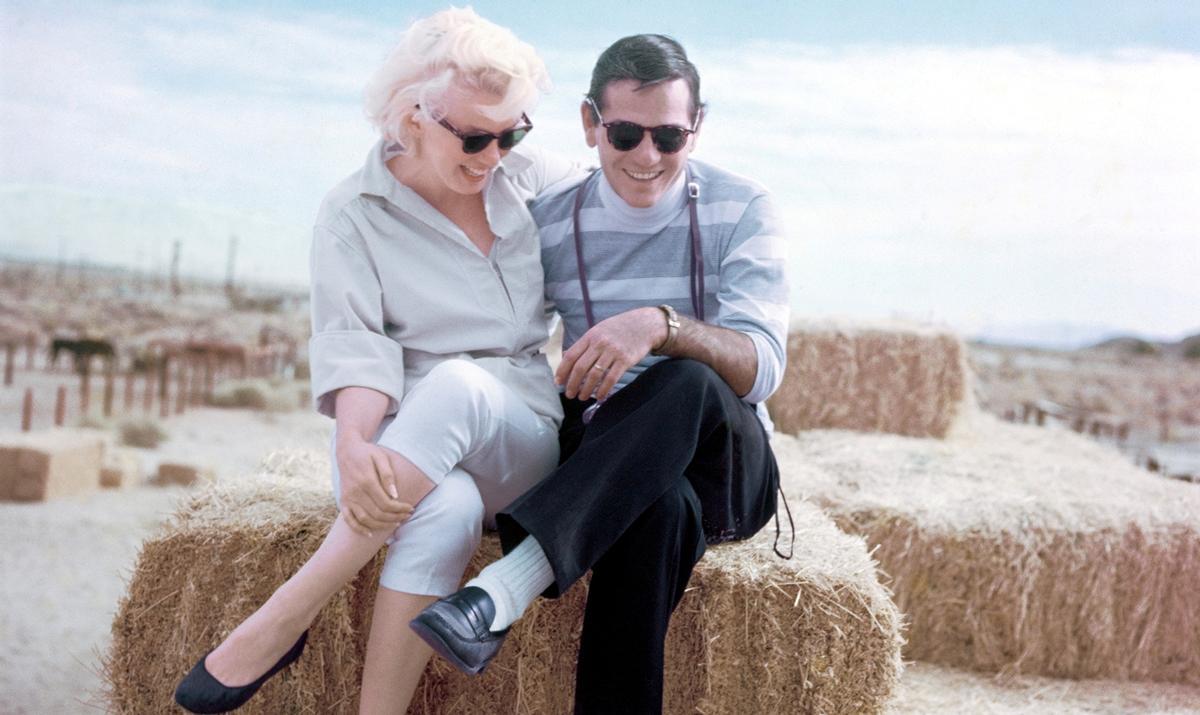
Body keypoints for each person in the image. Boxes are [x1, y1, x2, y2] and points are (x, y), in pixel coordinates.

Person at [172, 8, 579, 713]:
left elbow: (639, 203)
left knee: (459, 384)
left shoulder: (536, 178)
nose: (495, 154)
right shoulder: (350, 214)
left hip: (519, 437)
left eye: (513, 131)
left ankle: (284, 615)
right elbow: (355, 347)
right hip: (397, 439)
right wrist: (353, 443)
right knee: (443, 506)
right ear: (412, 115)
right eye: (476, 136)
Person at [410, 33, 791, 714]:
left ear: (697, 129)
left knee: (688, 378)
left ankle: (506, 585)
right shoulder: (548, 223)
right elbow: (495, 345)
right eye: (624, 133)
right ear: (590, 124)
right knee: (657, 506)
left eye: (669, 137)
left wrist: (660, 325)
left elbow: (762, 368)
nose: (647, 157)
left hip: (728, 462)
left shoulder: (744, 207)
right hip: (608, 452)